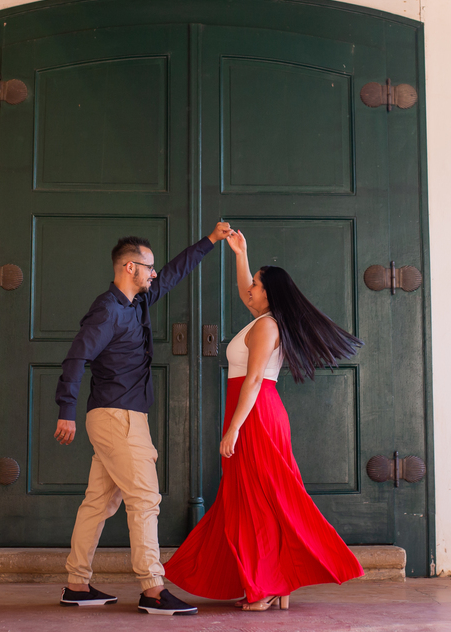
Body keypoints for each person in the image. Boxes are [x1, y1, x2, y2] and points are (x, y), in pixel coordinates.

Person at [164, 230, 365, 611]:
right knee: (252, 500)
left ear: (269, 293)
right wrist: (241, 254)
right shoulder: (263, 321)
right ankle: (274, 581)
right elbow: (245, 296)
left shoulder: (267, 326)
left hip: (255, 414)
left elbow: (254, 380)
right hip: (254, 410)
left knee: (258, 500)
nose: (249, 290)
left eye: (255, 284)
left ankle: (268, 585)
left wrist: (235, 427)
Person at [55, 222, 231, 616]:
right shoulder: (108, 311)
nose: (155, 273)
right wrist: (66, 409)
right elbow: (77, 356)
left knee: (98, 503)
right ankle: (153, 589)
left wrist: (211, 241)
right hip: (118, 418)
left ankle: (76, 584)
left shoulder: (137, 304)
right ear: (129, 268)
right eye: (148, 267)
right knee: (145, 500)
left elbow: (172, 274)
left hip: (119, 417)